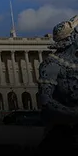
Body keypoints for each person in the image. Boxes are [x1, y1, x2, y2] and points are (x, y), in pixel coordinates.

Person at [38, 15, 78, 150]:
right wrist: (73, 114)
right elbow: (45, 101)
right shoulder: (52, 64)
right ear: (71, 38)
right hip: (62, 135)